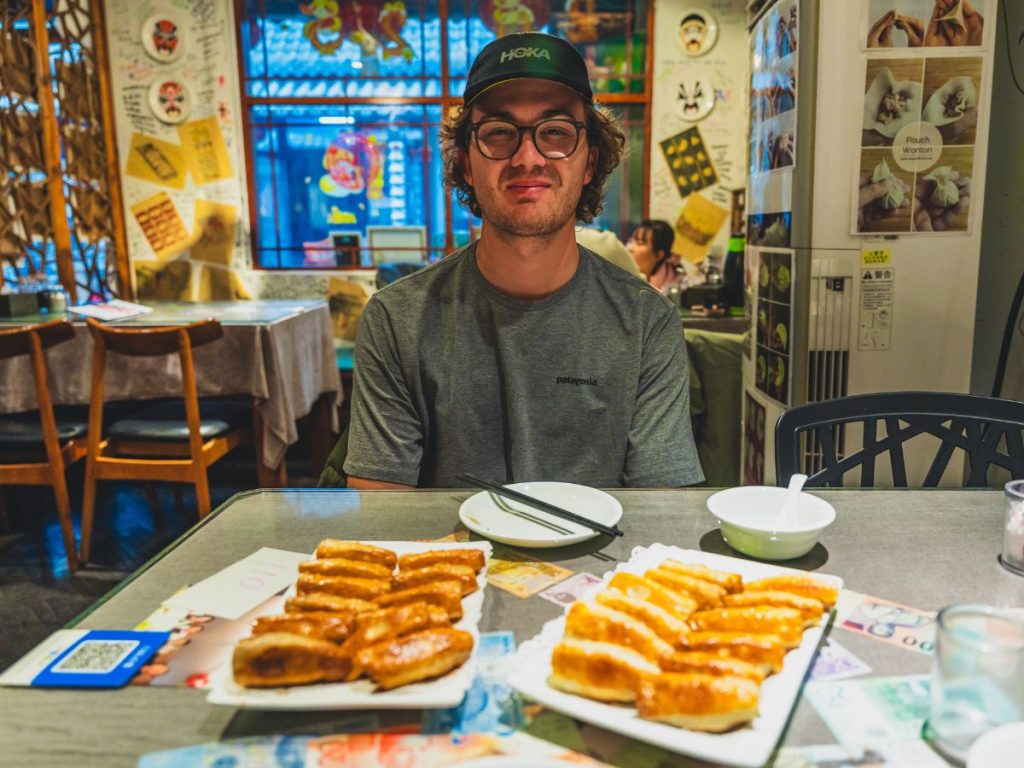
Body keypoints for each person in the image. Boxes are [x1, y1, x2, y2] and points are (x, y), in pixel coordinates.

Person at [327, 32, 703, 489]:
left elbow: (659, 515)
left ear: (589, 163)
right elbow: (380, 520)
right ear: (466, 162)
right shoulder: (397, 319)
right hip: (452, 557)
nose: (528, 157)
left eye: (557, 133)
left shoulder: (648, 323)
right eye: (500, 133)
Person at [626, 219, 685, 295]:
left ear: (657, 255)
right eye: (630, 241)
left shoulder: (669, 292)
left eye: (639, 243)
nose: (630, 248)